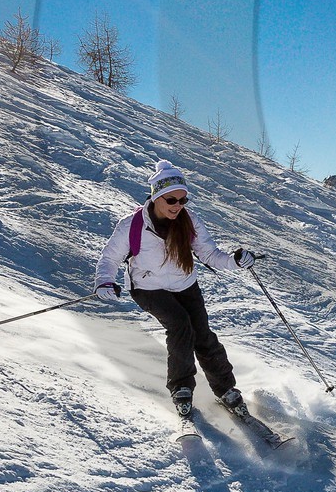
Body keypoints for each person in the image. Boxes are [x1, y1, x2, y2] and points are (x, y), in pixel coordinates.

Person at [95, 159, 262, 419]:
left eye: (183, 201)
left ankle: (225, 388)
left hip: (185, 285)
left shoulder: (189, 221)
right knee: (180, 325)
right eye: (171, 200)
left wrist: (235, 260)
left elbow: (210, 254)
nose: (178, 206)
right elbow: (109, 259)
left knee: (202, 334)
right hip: (148, 288)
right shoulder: (132, 224)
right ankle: (182, 387)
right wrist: (104, 280)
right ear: (157, 197)